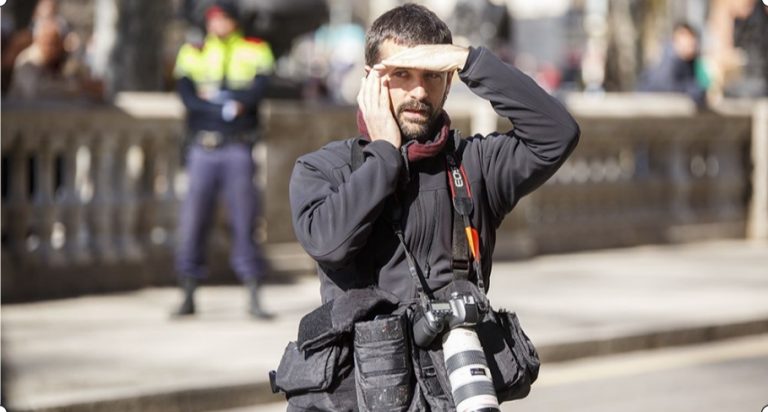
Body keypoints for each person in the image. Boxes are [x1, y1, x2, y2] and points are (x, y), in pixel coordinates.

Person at [285, 4, 579, 410]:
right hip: (357, 396)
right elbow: (329, 243)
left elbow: (558, 135)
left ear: (447, 82)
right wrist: (385, 154)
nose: (419, 92)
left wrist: (468, 59)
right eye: (401, 74)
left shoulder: (475, 165)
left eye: (432, 75)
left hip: (452, 391)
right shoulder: (323, 169)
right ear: (369, 80)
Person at [172, 0, 275, 319]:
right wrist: (227, 106)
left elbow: (258, 93)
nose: (217, 24)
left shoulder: (256, 48)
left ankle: (254, 292)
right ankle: (188, 292)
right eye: (213, 19)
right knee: (193, 221)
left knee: (246, 220)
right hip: (203, 147)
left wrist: (215, 100)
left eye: (223, 18)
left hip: (238, 147)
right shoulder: (193, 50)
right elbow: (188, 98)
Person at [7, 16, 100, 102]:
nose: (50, 48)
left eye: (54, 43)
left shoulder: (65, 59)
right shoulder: (27, 61)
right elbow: (35, 92)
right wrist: (75, 88)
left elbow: (83, 78)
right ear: (38, 40)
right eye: (46, 42)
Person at [637, 22, 708, 106]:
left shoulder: (691, 62)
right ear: (675, 40)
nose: (691, 42)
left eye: (692, 38)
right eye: (686, 37)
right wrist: (694, 89)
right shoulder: (667, 63)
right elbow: (668, 87)